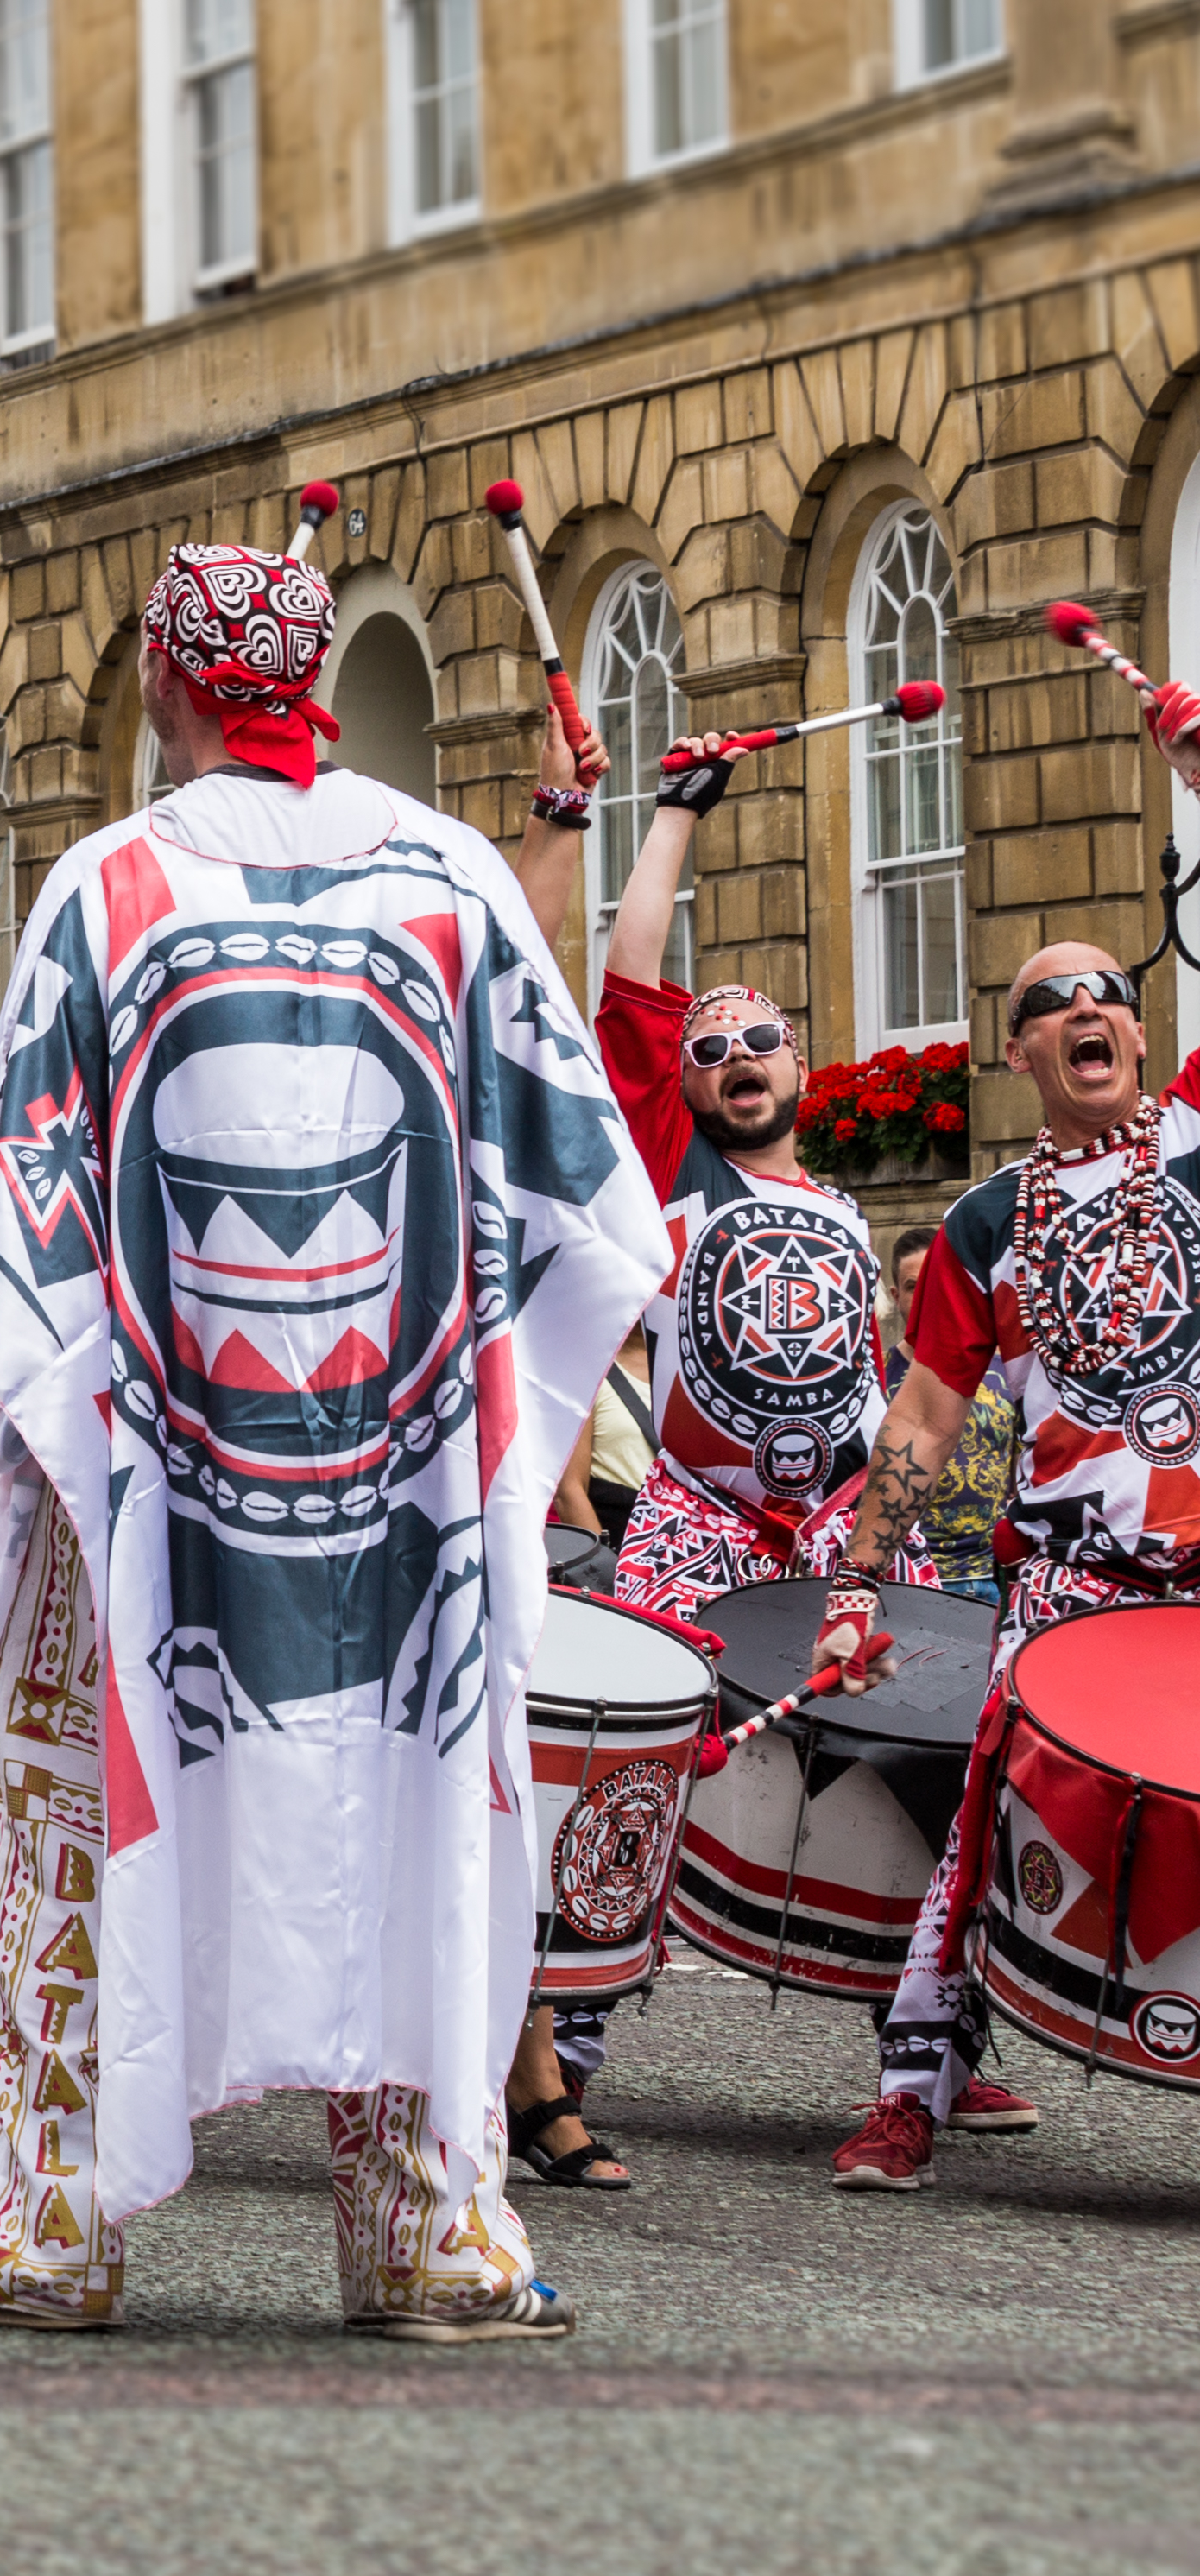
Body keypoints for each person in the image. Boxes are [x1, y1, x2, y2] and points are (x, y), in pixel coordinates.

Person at [0, 541, 657, 2339]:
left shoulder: (102, 883)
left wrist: (64, 1424)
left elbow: (28, 1200)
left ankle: (40, 2235)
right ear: (305, 675)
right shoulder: (452, 877)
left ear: (163, 676)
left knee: (80, 1821)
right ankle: (429, 2238)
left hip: (144, 1485)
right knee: (406, 1822)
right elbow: (589, 1206)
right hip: (404, 1501)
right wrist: (495, 1435)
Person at [490, 725, 947, 2189]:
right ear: (678, 1087)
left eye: (757, 1041)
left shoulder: (841, 1207)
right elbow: (630, 985)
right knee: (640, 1765)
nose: (732, 1058)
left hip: (838, 1530)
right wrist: (672, 812)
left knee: (921, 1757)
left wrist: (882, 1536)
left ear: (800, 1066)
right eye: (708, 1050)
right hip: (696, 1521)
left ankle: (926, 2049)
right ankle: (560, 2062)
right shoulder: (662, 1173)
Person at [803, 943, 1195, 2192]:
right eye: (1045, 1001)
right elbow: (921, 1415)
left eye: (1105, 995)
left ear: (1137, 1034)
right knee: (982, 1817)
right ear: (1015, 1051)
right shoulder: (984, 1222)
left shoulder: (1191, 1138)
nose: (1082, 1007)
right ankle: (907, 2096)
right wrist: (857, 1582)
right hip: (1069, 1578)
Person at [883, 1225, 1015, 1602]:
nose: (928, 1296)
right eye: (913, 1286)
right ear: (896, 1297)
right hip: (910, 1580)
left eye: (938, 1283)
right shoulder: (875, 1378)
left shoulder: (1004, 1372)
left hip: (995, 1577)